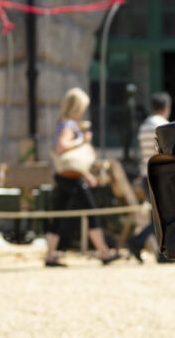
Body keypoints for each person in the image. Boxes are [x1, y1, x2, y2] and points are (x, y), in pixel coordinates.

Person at [44, 87, 120, 267]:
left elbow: (70, 160)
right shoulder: (69, 125)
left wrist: (85, 174)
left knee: (59, 214)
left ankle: (50, 255)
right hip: (71, 178)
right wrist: (82, 140)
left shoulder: (61, 123)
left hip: (65, 175)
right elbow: (62, 147)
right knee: (91, 212)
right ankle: (103, 253)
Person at [127, 91, 172, 262]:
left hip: (146, 173)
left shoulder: (144, 126)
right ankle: (138, 242)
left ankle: (160, 252)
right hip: (160, 175)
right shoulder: (162, 125)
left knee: (159, 215)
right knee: (164, 215)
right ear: (166, 108)